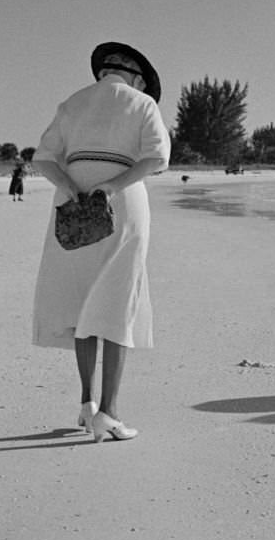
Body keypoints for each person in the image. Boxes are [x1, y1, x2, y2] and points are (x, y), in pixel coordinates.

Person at [31, 42, 171, 442]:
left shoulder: (72, 103)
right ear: (135, 76)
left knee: (81, 301)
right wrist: (111, 185)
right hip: (121, 201)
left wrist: (70, 186)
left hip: (71, 204)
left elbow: (43, 157)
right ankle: (109, 412)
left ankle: (86, 403)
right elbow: (157, 157)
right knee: (116, 302)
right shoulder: (142, 103)